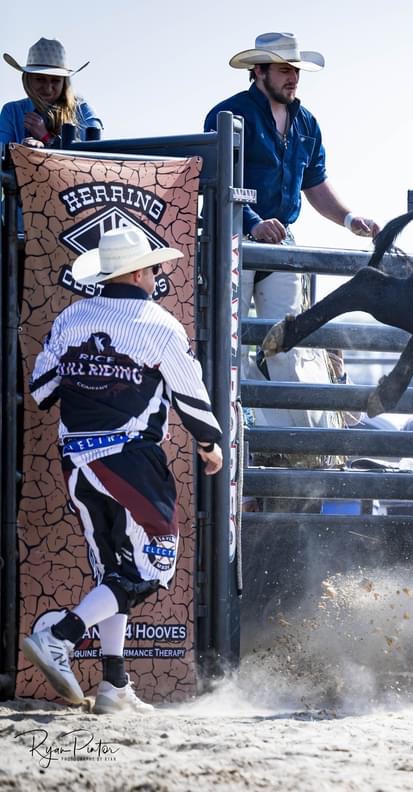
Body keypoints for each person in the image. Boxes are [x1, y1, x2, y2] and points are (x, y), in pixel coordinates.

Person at [21, 227, 223, 713]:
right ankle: (62, 635)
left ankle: (113, 685)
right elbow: (190, 395)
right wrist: (211, 443)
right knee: (154, 566)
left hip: (76, 459)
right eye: (154, 268)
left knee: (114, 571)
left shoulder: (71, 318)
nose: (157, 275)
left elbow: (42, 391)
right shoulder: (158, 324)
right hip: (130, 459)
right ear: (138, 272)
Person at [204, 32, 379, 434]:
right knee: (229, 345)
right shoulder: (227, 115)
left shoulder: (306, 122)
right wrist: (252, 222)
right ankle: (237, 440)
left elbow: (315, 184)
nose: (293, 78)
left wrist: (350, 219)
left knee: (285, 343)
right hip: (233, 241)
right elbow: (216, 181)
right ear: (258, 71)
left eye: (295, 71)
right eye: (284, 70)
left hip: (279, 245)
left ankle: (292, 445)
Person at [1, 37, 102, 149]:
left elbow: (92, 160)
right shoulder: (11, 112)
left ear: (64, 82)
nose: (48, 89)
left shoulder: (83, 111)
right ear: (27, 79)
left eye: (55, 80)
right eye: (40, 79)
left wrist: (47, 139)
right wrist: (21, 150)